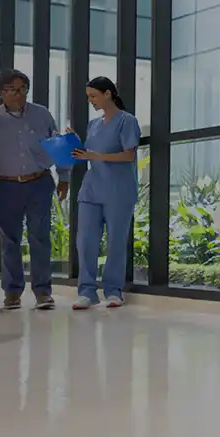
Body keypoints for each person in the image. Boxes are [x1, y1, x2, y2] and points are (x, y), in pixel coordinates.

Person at [0, 70, 68, 310]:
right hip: (5, 185)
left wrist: (64, 178)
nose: (18, 94)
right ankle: (12, 292)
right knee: (9, 239)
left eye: (22, 89)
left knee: (40, 236)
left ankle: (43, 292)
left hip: (39, 182)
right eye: (12, 89)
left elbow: (57, 145)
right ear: (1, 92)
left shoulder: (42, 115)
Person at [70, 77, 142, 309]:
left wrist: (95, 156)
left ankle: (113, 291)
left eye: (93, 96)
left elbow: (128, 155)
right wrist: (73, 142)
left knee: (115, 243)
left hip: (119, 191)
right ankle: (87, 292)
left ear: (108, 94)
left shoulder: (127, 121)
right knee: (85, 241)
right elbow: (90, 152)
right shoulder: (94, 124)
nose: (90, 100)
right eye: (89, 97)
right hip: (91, 189)